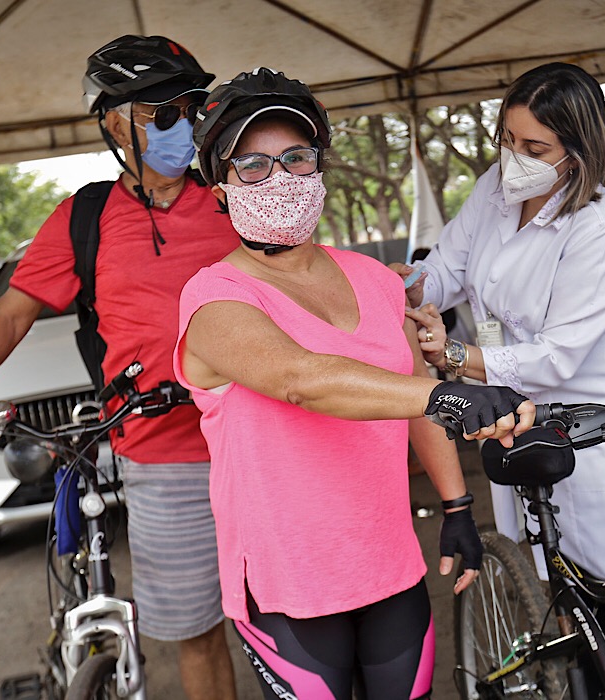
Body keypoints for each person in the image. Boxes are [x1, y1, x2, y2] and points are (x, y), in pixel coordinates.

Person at [175, 67, 535, 699]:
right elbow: (299, 378)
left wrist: (456, 503)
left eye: (295, 157)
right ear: (221, 188)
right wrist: (450, 394)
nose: (279, 177)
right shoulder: (212, 298)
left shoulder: (373, 278)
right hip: (288, 582)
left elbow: (413, 388)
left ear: (319, 169)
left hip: (387, 560)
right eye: (252, 165)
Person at [0, 35, 239, 700]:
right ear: (116, 124)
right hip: (162, 461)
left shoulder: (239, 194)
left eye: (192, 106)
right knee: (198, 637)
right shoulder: (83, 220)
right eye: (162, 113)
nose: (184, 123)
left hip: (265, 442)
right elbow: (7, 316)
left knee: (292, 620)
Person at [399, 63, 605, 699]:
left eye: (535, 149)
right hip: (523, 422)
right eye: (508, 140)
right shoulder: (496, 189)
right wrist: (401, 292)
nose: (516, 159)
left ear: (579, 150)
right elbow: (447, 266)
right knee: (571, 607)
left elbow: (558, 356)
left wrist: (453, 355)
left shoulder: (601, 228)